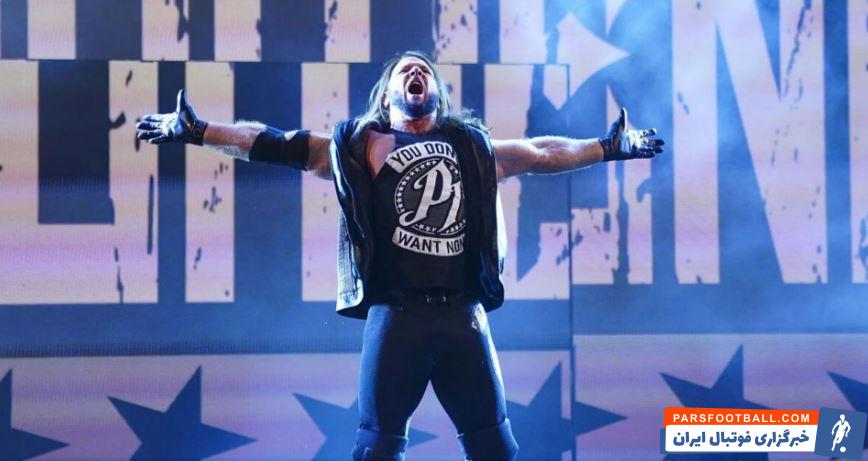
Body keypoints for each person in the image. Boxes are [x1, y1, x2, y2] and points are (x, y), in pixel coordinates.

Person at [136, 50, 663, 461]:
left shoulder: (473, 149)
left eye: (424, 70)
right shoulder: (357, 148)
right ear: (387, 93)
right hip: (396, 317)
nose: (416, 72)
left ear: (438, 94)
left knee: (496, 450)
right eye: (405, 70)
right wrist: (199, 132)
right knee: (377, 450)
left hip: (463, 318)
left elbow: (543, 151)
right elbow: (272, 142)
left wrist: (608, 147)